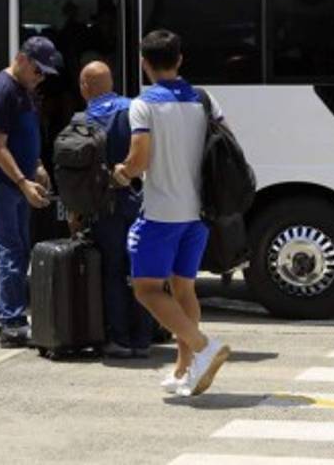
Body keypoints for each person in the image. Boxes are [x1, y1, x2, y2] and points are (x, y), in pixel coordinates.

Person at [112, 30, 231, 397]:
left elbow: (139, 159)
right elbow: (224, 145)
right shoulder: (204, 99)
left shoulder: (143, 105)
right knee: (183, 288)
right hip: (200, 212)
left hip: (162, 212)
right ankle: (184, 370)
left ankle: (203, 347)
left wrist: (122, 172)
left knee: (147, 290)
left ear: (143, 64)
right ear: (179, 60)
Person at [0, 36, 62, 348]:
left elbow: (24, 135)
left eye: (44, 74)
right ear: (22, 60)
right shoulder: (3, 90)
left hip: (15, 181)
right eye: (38, 71)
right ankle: (12, 323)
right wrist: (23, 182)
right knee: (11, 251)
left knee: (18, 248)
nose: (40, 78)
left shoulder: (24, 89)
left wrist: (36, 164)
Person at [76, 61, 154, 359]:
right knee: (140, 268)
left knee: (112, 269)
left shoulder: (83, 120)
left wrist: (76, 211)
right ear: (111, 82)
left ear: (85, 87)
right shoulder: (135, 109)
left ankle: (119, 339)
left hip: (104, 205)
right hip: (137, 198)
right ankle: (143, 338)